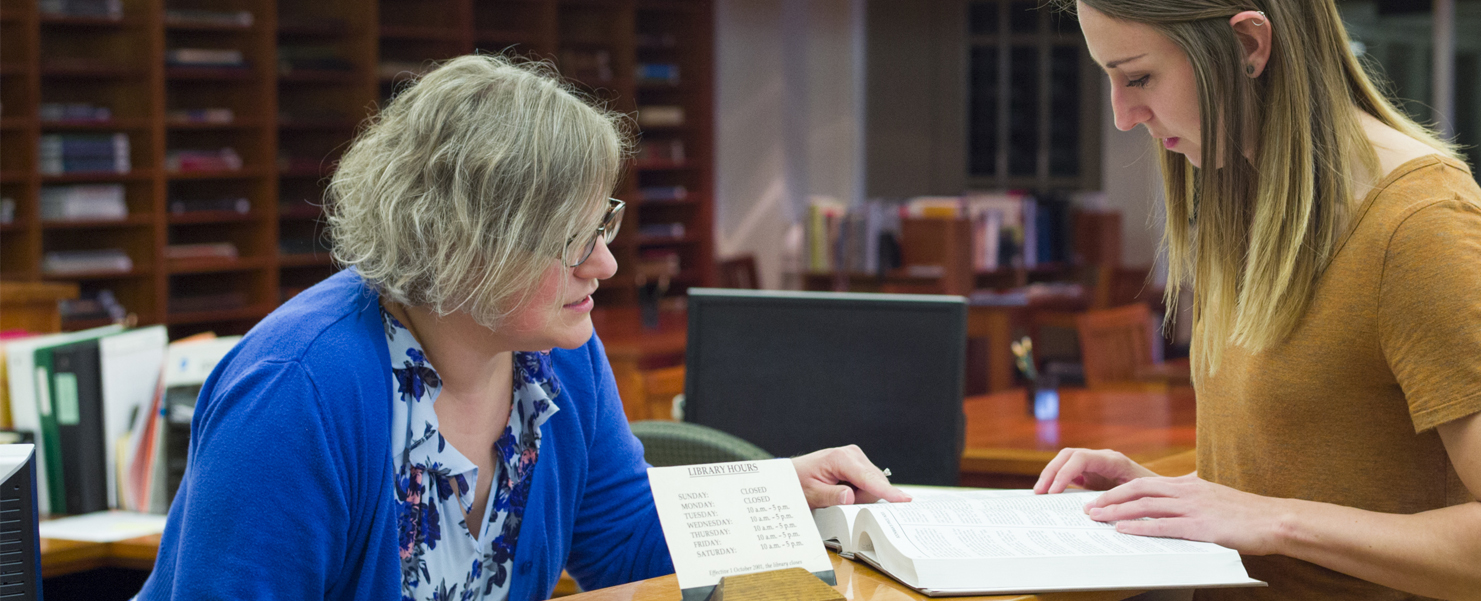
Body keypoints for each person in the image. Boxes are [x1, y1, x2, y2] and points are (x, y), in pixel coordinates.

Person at [138, 55, 908, 601]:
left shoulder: (557, 357)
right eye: (576, 238)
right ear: (466, 240)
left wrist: (781, 492)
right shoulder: (299, 388)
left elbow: (627, 543)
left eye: (604, 224)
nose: (605, 265)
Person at [1032, 2, 1481, 600]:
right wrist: (1170, 499)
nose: (1122, 115)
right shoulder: (1256, 200)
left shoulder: (1422, 225)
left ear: (1249, 46)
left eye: (1139, 77)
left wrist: (1273, 522)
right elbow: (1331, 478)